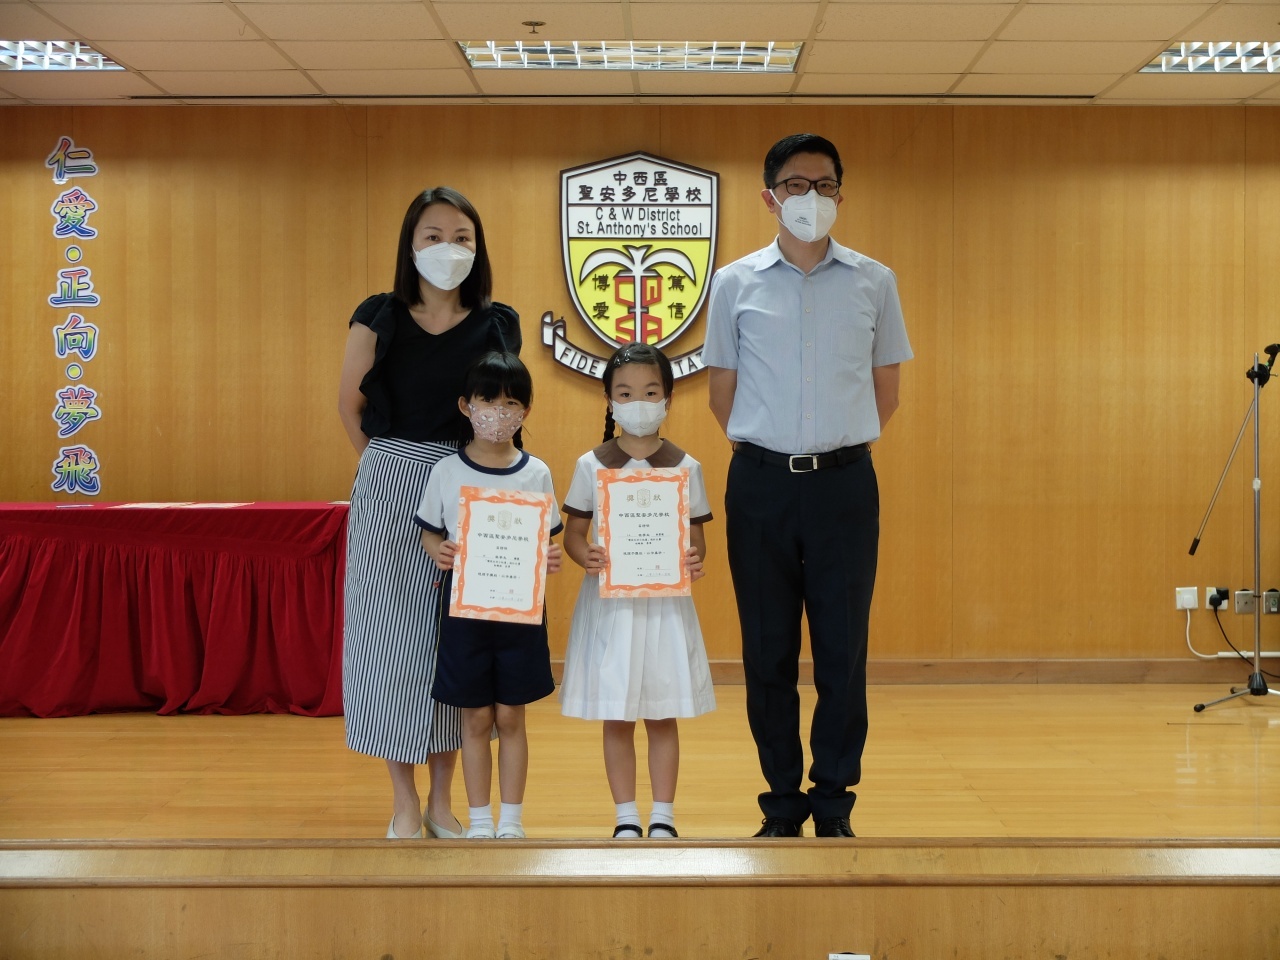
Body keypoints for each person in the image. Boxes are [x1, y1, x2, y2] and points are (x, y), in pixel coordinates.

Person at [703, 133, 913, 839]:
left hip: (844, 487)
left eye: (824, 185)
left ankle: (834, 800)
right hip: (759, 484)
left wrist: (834, 446)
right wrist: (774, 447)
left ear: (840, 195)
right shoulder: (733, 283)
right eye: (796, 185)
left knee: (841, 650)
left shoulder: (874, 281)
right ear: (770, 197)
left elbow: (886, 390)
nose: (811, 197)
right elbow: (722, 393)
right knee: (766, 650)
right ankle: (781, 800)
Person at [337, 187, 521, 841]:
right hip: (390, 480)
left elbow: (504, 411)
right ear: (410, 245)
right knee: (387, 642)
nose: (448, 247)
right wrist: (388, 469)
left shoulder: (497, 322)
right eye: (433, 235)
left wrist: (464, 479)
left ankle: (443, 800)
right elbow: (350, 407)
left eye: (462, 237)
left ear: (478, 247)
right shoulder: (378, 314)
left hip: (469, 480)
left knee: (454, 644)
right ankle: (403, 799)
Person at [559, 343, 715, 839]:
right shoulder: (592, 464)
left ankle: (663, 816)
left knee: (663, 712)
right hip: (612, 607)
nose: (638, 403)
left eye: (650, 392)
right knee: (618, 714)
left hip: (665, 606)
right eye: (625, 393)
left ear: (668, 398)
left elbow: (697, 540)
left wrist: (692, 558)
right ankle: (626, 816)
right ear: (609, 400)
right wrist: (586, 556)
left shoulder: (686, 466)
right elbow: (575, 534)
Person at [415, 351, 563, 840]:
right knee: (476, 716)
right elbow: (430, 533)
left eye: (511, 403)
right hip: (464, 614)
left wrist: (549, 557)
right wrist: (438, 550)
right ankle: (479, 821)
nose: (499, 413)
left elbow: (546, 540)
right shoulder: (446, 471)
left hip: (520, 614)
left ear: (526, 411)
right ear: (466, 405)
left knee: (512, 716)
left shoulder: (536, 472)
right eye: (488, 401)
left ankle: (511, 821)